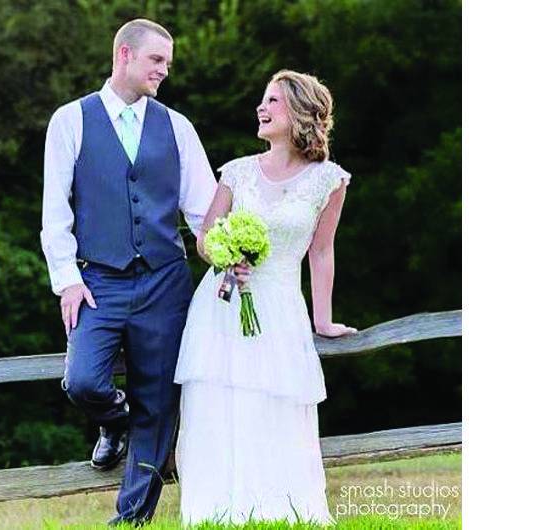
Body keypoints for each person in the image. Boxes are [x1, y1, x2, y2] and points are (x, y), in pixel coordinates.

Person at [39, 19, 216, 525]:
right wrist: (67, 278)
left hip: (165, 282)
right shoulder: (70, 120)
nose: (165, 69)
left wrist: (228, 254)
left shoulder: (177, 126)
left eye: (168, 62)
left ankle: (131, 520)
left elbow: (202, 212)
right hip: (98, 282)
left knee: (158, 403)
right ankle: (113, 423)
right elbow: (55, 212)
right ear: (124, 54)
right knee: (82, 381)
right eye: (157, 60)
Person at [174, 69, 358, 525]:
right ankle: (215, 512)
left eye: (273, 100)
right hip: (223, 303)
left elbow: (321, 251)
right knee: (221, 405)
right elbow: (204, 237)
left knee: (274, 405)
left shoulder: (329, 180)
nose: (262, 107)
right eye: (263, 99)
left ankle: (279, 509)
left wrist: (324, 320)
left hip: (279, 306)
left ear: (299, 112)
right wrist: (224, 255)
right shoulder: (237, 172)